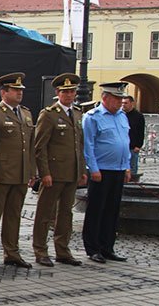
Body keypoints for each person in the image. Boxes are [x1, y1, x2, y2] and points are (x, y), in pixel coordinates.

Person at [0, 73, 36, 269]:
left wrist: (30, 170)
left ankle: (11, 252)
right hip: (1, 174)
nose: (20, 93)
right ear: (4, 92)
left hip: (19, 174)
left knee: (14, 215)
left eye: (21, 90)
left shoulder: (26, 114)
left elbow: (29, 146)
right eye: (15, 90)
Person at [31, 73, 86, 268]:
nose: (69, 95)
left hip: (71, 172)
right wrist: (44, 172)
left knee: (66, 214)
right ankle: (40, 250)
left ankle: (62, 250)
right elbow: (40, 146)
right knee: (45, 213)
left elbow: (79, 144)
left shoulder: (77, 113)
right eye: (66, 92)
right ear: (58, 93)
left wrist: (82, 169)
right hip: (53, 173)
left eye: (72, 92)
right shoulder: (49, 114)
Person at [82, 82, 132, 264]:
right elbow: (89, 145)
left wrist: (127, 165)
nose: (120, 102)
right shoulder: (93, 117)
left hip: (118, 169)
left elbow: (125, 141)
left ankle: (107, 246)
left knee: (112, 210)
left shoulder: (122, 117)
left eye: (121, 99)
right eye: (116, 99)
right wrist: (93, 168)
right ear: (105, 98)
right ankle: (93, 248)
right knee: (96, 209)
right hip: (101, 170)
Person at [122, 95, 145, 177]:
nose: (123, 105)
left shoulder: (138, 116)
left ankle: (132, 183)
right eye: (122, 103)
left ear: (132, 103)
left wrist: (138, 145)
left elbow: (141, 132)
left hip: (133, 147)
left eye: (125, 103)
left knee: (132, 168)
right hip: (122, 146)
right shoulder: (120, 115)